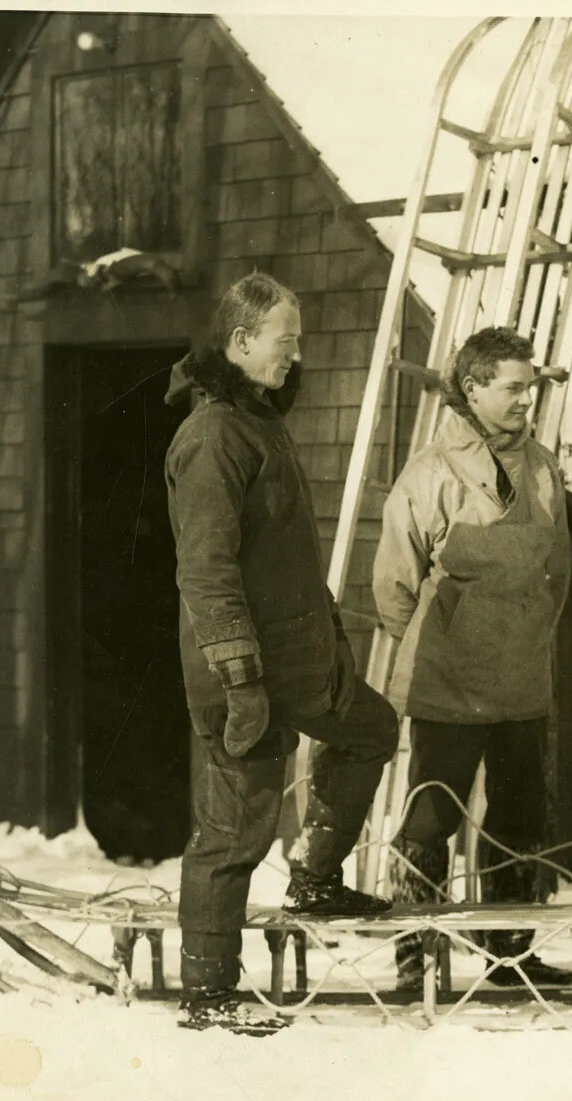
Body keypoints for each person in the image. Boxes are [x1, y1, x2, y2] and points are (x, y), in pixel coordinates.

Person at [165, 272, 398, 1035]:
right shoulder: (212, 437)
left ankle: (315, 877)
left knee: (369, 728)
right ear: (239, 343)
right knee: (236, 826)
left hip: (297, 663)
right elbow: (205, 569)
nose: (295, 357)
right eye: (283, 342)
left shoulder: (257, 420)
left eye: (297, 343)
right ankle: (207, 992)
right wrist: (239, 677)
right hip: (242, 670)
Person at [372, 326, 572, 990]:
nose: (526, 401)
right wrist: (442, 642)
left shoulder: (543, 467)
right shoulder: (431, 471)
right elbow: (394, 583)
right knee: (434, 810)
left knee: (518, 813)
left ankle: (509, 949)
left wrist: (529, 631)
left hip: (521, 674)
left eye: (530, 388)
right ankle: (417, 950)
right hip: (448, 677)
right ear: (473, 388)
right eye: (513, 388)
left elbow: (558, 569)